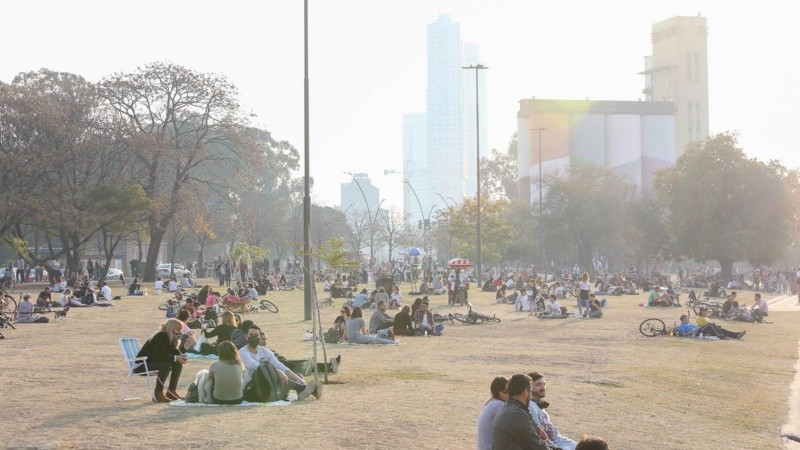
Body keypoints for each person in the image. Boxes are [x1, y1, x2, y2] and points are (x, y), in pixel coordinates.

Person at [239, 326, 321, 401]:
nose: (253, 337)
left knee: (297, 375)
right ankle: (304, 389)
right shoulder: (242, 351)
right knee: (273, 375)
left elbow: (279, 365)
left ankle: (302, 387)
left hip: (267, 384)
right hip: (251, 387)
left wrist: (298, 379)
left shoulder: (264, 350)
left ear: (260, 337)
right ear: (247, 336)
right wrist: (277, 371)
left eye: (256, 335)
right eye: (251, 334)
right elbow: (253, 365)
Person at [135, 318, 188, 402]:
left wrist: (186, 346)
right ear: (171, 328)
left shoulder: (170, 338)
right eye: (178, 330)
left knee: (177, 364)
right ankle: (158, 393)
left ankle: (171, 391)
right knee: (165, 365)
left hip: (152, 362)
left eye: (181, 330)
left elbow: (176, 354)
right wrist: (176, 357)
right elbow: (159, 357)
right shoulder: (161, 336)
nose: (180, 332)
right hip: (141, 365)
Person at [491, 374, 548, 450]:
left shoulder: (513, 408)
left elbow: (541, 434)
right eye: (531, 391)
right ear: (525, 392)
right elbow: (539, 447)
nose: (531, 395)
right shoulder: (516, 414)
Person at [528, 372, 577, 450]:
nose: (543, 387)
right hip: (553, 445)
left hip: (561, 441)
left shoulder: (540, 405)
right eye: (538, 385)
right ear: (529, 388)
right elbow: (539, 434)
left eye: (544, 384)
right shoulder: (529, 406)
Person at [476, 376, 509, 450]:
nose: (509, 394)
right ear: (497, 391)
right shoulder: (499, 405)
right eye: (505, 391)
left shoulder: (490, 402)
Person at [678, 314, 745, 339]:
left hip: (700, 329)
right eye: (687, 318)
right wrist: (690, 332)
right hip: (698, 332)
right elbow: (683, 334)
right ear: (683, 319)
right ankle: (720, 336)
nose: (688, 319)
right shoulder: (681, 326)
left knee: (720, 328)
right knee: (711, 325)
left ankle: (736, 335)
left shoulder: (689, 324)